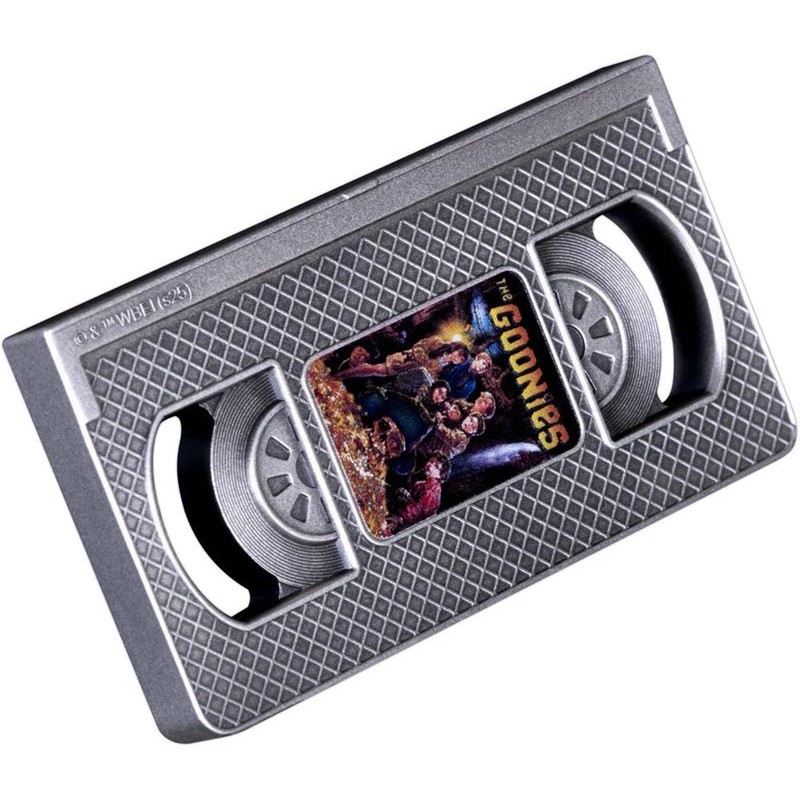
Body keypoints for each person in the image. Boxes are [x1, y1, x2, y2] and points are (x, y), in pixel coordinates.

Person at [335, 336, 469, 382]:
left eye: (461, 360)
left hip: (409, 376)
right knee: (374, 370)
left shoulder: (445, 367)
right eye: (459, 355)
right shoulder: (438, 342)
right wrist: (423, 360)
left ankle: (344, 376)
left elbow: (432, 374)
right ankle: (341, 375)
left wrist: (430, 376)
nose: (457, 359)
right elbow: (419, 346)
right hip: (404, 362)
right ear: (456, 349)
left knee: (375, 375)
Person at [387, 454, 450, 532]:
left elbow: (418, 510)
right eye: (431, 461)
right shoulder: (422, 484)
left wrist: (400, 518)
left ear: (440, 476)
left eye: (436, 467)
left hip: (409, 525)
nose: (431, 466)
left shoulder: (433, 491)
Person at [416, 412, 486, 462]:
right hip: (425, 449)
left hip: (426, 457)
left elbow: (446, 434)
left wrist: (439, 420)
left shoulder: (463, 439)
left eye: (473, 427)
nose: (469, 424)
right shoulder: (459, 429)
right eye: (471, 420)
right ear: (468, 417)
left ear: (473, 433)